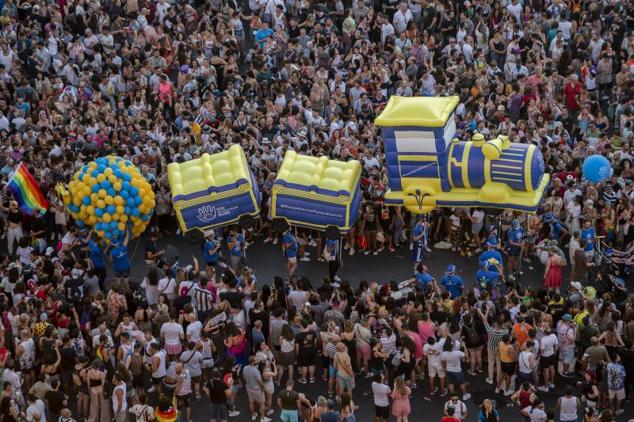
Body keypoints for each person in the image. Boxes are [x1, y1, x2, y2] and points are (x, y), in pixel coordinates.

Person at [243, 356, 271, 422]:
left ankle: (253, 415)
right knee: (262, 403)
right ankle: (263, 418)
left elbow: (244, 377)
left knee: (251, 402)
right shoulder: (256, 371)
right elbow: (260, 382)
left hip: (249, 388)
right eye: (255, 360)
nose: (257, 361)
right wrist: (263, 387)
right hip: (257, 390)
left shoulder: (245, 368)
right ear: (253, 363)